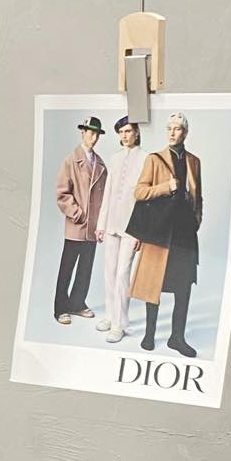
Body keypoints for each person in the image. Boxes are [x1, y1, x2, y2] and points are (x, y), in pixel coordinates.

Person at [127, 113, 203, 357]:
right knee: (154, 283)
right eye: (169, 128)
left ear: (185, 133)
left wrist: (196, 221)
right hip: (159, 231)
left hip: (184, 234)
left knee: (184, 286)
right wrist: (165, 187)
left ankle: (177, 338)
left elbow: (198, 196)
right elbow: (139, 192)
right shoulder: (154, 159)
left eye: (177, 129)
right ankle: (149, 335)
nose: (172, 132)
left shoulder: (194, 161)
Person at [54, 116, 108, 324]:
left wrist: (101, 223)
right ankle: (60, 308)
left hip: (93, 227)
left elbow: (104, 197)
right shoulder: (70, 161)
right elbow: (62, 194)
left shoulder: (100, 164)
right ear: (83, 133)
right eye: (91, 133)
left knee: (85, 268)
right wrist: (78, 214)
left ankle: (77, 303)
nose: (94, 138)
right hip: (76, 225)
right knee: (67, 268)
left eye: (97, 134)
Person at [95, 116, 143, 342]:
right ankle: (109, 315)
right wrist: (101, 225)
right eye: (121, 132)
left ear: (137, 133)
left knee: (123, 274)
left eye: (128, 131)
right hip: (112, 223)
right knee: (109, 272)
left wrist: (142, 231)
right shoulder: (114, 159)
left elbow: (146, 200)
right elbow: (107, 193)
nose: (124, 136)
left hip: (132, 227)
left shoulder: (146, 159)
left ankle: (119, 324)